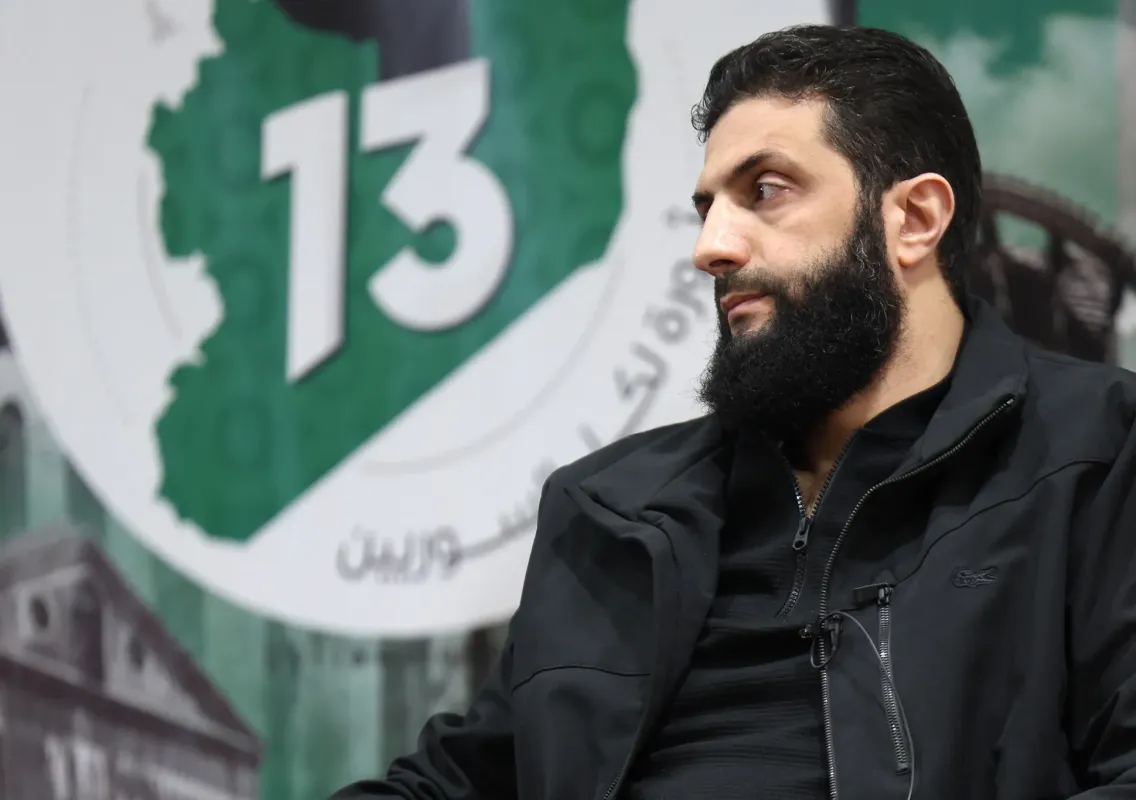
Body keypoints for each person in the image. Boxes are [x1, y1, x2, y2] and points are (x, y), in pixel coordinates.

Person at [331, 24, 1136, 800]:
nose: (710, 247)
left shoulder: (1098, 453)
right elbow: (458, 781)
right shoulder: (607, 510)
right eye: (707, 207)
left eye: (766, 191)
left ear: (916, 220)